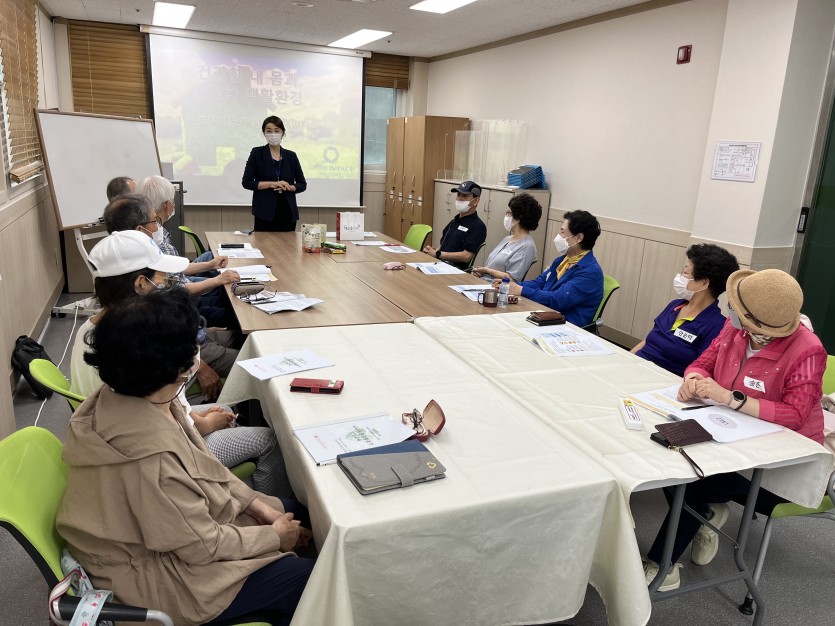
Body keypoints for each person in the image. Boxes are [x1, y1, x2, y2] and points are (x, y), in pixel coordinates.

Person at [57, 289, 313, 626]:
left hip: (166, 534)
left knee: (299, 511)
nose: (197, 354)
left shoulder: (135, 395)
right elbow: (201, 546)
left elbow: (206, 468)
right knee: (310, 579)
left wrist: (257, 506)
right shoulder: (152, 460)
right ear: (177, 369)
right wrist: (274, 537)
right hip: (159, 577)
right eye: (194, 346)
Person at [643, 269, 827, 592]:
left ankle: (663, 566)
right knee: (669, 453)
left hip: (783, 459)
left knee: (695, 479)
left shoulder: (807, 350)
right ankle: (703, 516)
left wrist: (732, 399)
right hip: (731, 435)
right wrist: (694, 378)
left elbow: (795, 414)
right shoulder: (736, 328)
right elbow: (704, 361)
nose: (731, 313)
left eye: (738, 312)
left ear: (758, 323)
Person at [71, 230, 290, 498]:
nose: (165, 285)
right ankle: (277, 506)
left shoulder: (92, 330)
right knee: (268, 440)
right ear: (141, 284)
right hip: (162, 452)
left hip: (121, 437)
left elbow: (160, 408)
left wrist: (201, 418)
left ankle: (230, 488)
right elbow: (160, 419)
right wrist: (206, 424)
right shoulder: (137, 344)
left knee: (224, 409)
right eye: (161, 278)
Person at [103, 193, 240, 329]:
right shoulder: (141, 266)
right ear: (141, 283)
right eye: (154, 221)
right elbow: (177, 288)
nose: (157, 226)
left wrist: (210, 266)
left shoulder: (130, 257)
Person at [632, 244, 739, 376]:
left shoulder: (716, 326)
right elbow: (647, 341)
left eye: (686, 273)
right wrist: (625, 359)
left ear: (703, 284)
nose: (680, 277)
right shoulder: (674, 306)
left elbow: (702, 369)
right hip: (636, 367)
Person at [498, 210, 603, 326]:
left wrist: (521, 290)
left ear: (578, 238)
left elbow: (557, 300)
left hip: (566, 325)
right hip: (545, 315)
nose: (559, 236)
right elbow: (539, 283)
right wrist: (510, 286)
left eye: (562, 232)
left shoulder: (590, 272)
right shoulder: (562, 261)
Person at [137, 174, 218, 269]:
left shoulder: (148, 229)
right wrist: (218, 277)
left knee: (209, 256)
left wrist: (210, 265)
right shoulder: (155, 235)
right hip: (176, 277)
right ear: (166, 205)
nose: (173, 204)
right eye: (172, 201)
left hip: (178, 271)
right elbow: (173, 275)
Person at [242, 116, 307, 232]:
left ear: (283, 133)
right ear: (264, 133)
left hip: (288, 212)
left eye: (277, 131)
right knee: (264, 243)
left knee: (288, 243)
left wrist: (290, 187)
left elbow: (302, 184)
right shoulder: (257, 153)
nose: (273, 134)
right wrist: (273, 184)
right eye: (269, 131)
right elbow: (247, 182)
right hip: (264, 213)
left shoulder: (291, 156)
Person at [471, 193, 541, 282]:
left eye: (509, 213)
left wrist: (487, 271)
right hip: (482, 281)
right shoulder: (508, 239)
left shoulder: (527, 246)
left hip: (496, 287)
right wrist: (480, 271)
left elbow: (512, 279)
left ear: (518, 217)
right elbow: (493, 266)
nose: (507, 216)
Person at [423, 181, 487, 270]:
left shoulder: (478, 226)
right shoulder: (454, 221)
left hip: (454, 270)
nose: (460, 198)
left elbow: (466, 256)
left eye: (465, 196)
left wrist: (438, 254)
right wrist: (432, 251)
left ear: (476, 201)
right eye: (458, 195)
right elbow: (444, 247)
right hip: (440, 264)